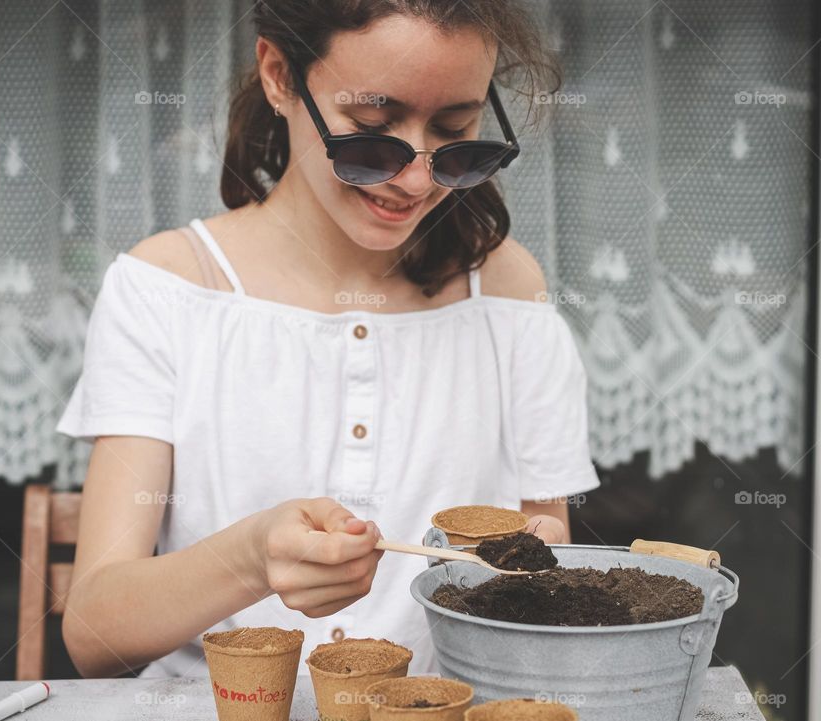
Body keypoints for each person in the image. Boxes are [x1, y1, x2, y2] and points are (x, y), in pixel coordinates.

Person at [57, 0, 600, 679]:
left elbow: (542, 562)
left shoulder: (507, 291)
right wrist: (251, 557)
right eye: (372, 131)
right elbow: (94, 632)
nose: (416, 179)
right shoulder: (168, 289)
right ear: (279, 75)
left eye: (456, 132)